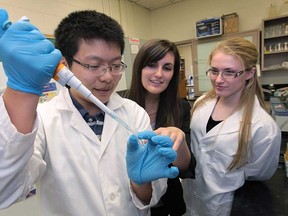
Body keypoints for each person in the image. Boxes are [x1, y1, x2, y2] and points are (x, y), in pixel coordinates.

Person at [0, 9, 189, 216]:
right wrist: (20, 92)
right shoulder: (44, 119)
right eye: (94, 65)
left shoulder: (134, 113)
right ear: (64, 63)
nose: (108, 77)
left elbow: (148, 198)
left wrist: (139, 182)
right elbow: (5, 191)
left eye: (115, 65)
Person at [182, 37, 281, 216]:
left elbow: (259, 173)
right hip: (191, 195)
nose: (218, 79)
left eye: (229, 72)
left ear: (249, 73)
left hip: (225, 205)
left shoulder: (263, 128)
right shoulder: (201, 103)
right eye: (214, 71)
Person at [126, 39, 196, 216]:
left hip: (168, 204)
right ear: (139, 68)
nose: (159, 74)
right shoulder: (119, 105)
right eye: (151, 65)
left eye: (167, 67)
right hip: (127, 201)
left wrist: (178, 139)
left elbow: (183, 168)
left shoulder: (181, 108)